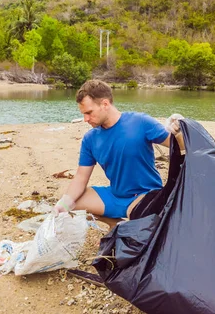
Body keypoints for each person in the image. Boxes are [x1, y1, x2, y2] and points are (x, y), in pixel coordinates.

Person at [52, 79, 185, 219]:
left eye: (89, 113)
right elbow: (80, 177)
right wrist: (63, 204)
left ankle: (131, 222)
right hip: (115, 196)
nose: (85, 119)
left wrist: (179, 130)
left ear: (105, 104)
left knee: (138, 215)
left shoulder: (141, 122)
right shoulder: (90, 139)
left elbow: (178, 145)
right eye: (83, 114)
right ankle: (113, 223)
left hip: (146, 195)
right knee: (71, 201)